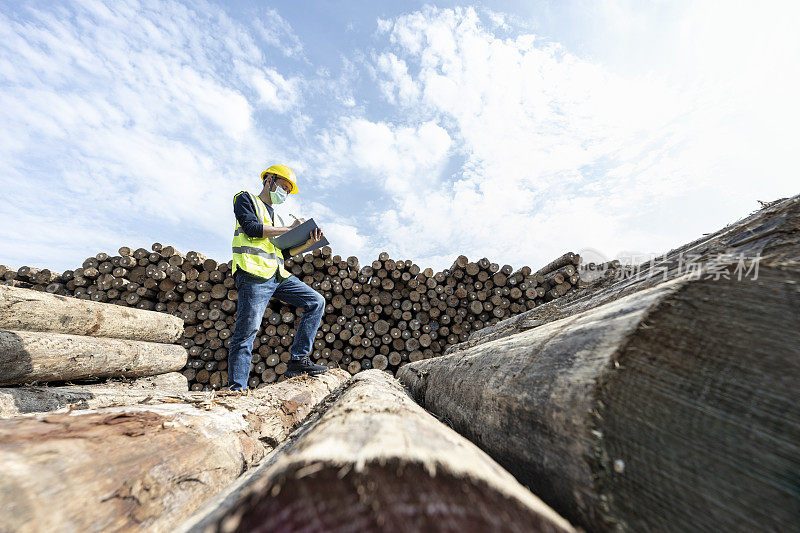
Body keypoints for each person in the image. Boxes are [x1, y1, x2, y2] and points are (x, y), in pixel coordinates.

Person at [226, 164, 328, 392]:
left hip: (277, 274)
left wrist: (307, 243)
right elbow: (252, 229)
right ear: (268, 180)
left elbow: (281, 252)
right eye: (282, 187)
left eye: (287, 190)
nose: (284, 193)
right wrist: (289, 228)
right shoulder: (245, 199)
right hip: (252, 273)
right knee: (247, 332)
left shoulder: (277, 216)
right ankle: (236, 389)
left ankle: (298, 360)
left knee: (316, 301)